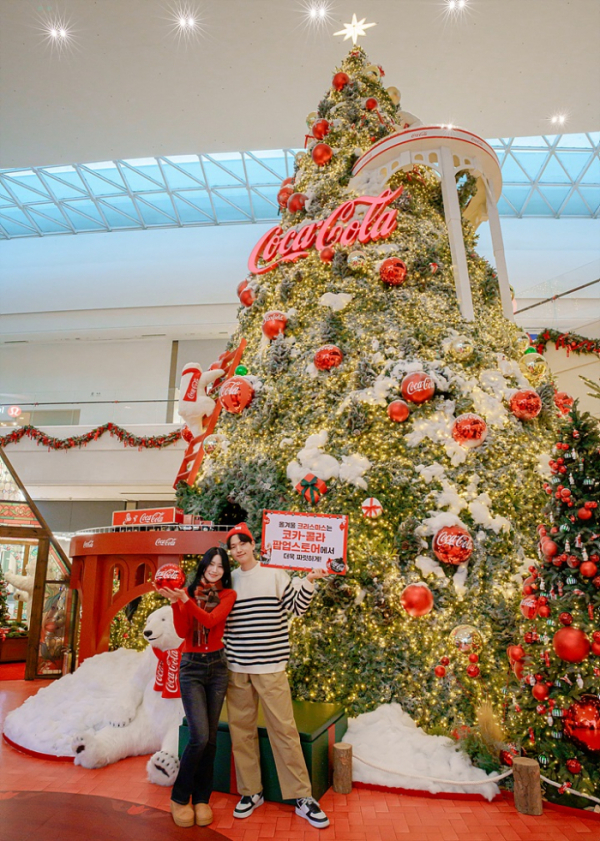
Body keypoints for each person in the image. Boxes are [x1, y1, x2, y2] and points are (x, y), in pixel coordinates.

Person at [224, 522, 330, 830]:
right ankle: (250, 791)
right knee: (241, 732)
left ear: (253, 544)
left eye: (242, 543)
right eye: (233, 546)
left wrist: (309, 580)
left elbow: (297, 607)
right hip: (237, 669)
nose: (238, 549)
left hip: (271, 667)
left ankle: (302, 797)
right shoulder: (228, 581)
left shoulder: (274, 575)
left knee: (284, 731)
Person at [156, 548, 236, 829]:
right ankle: (180, 797)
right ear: (202, 566)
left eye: (220, 566)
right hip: (191, 666)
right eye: (210, 564)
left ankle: (202, 798)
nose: (214, 569)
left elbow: (212, 621)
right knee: (198, 737)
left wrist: (185, 600)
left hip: (218, 667)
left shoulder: (228, 595)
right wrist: (179, 602)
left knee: (211, 739)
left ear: (225, 571)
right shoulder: (186, 591)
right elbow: (181, 631)